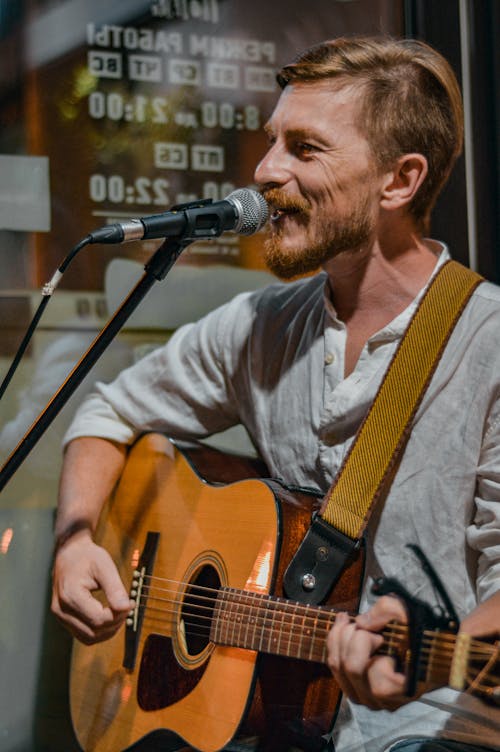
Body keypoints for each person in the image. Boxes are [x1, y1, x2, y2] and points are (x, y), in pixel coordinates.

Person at [51, 36, 500, 752]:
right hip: (286, 727)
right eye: (270, 143)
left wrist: (429, 654)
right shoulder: (261, 326)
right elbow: (108, 412)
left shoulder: (491, 346)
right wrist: (75, 542)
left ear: (399, 181)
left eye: (305, 148)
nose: (264, 171)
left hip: (444, 729)